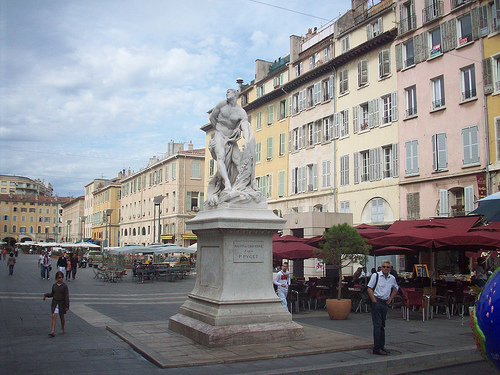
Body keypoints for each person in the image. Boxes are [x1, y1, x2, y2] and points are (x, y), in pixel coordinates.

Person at [205, 89, 262, 206]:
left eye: (229, 93)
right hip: (220, 134)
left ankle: (247, 183)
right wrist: (219, 131)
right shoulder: (221, 105)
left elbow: (245, 127)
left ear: (236, 95)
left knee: (238, 161)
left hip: (231, 137)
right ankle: (227, 183)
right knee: (220, 156)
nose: (227, 94)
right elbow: (212, 118)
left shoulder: (241, 112)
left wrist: (246, 140)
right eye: (226, 93)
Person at [367, 260, 399, 356]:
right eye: (383, 267)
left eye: (387, 267)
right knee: (377, 325)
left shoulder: (391, 278)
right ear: (381, 267)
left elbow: (396, 289)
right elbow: (369, 288)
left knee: (382, 326)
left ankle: (382, 346)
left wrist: (390, 299)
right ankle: (376, 348)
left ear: (390, 269)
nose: (385, 268)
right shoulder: (376, 276)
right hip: (377, 301)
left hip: (384, 303)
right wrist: (374, 301)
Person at [43, 271, 70, 337]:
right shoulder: (54, 285)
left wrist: (67, 305)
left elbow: (66, 296)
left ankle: (62, 328)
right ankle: (52, 331)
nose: (60, 279)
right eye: (59, 278)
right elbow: (52, 294)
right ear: (56, 278)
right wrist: (46, 295)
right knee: (53, 316)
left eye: (61, 277)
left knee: (61, 316)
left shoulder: (65, 286)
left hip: (62, 303)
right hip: (55, 303)